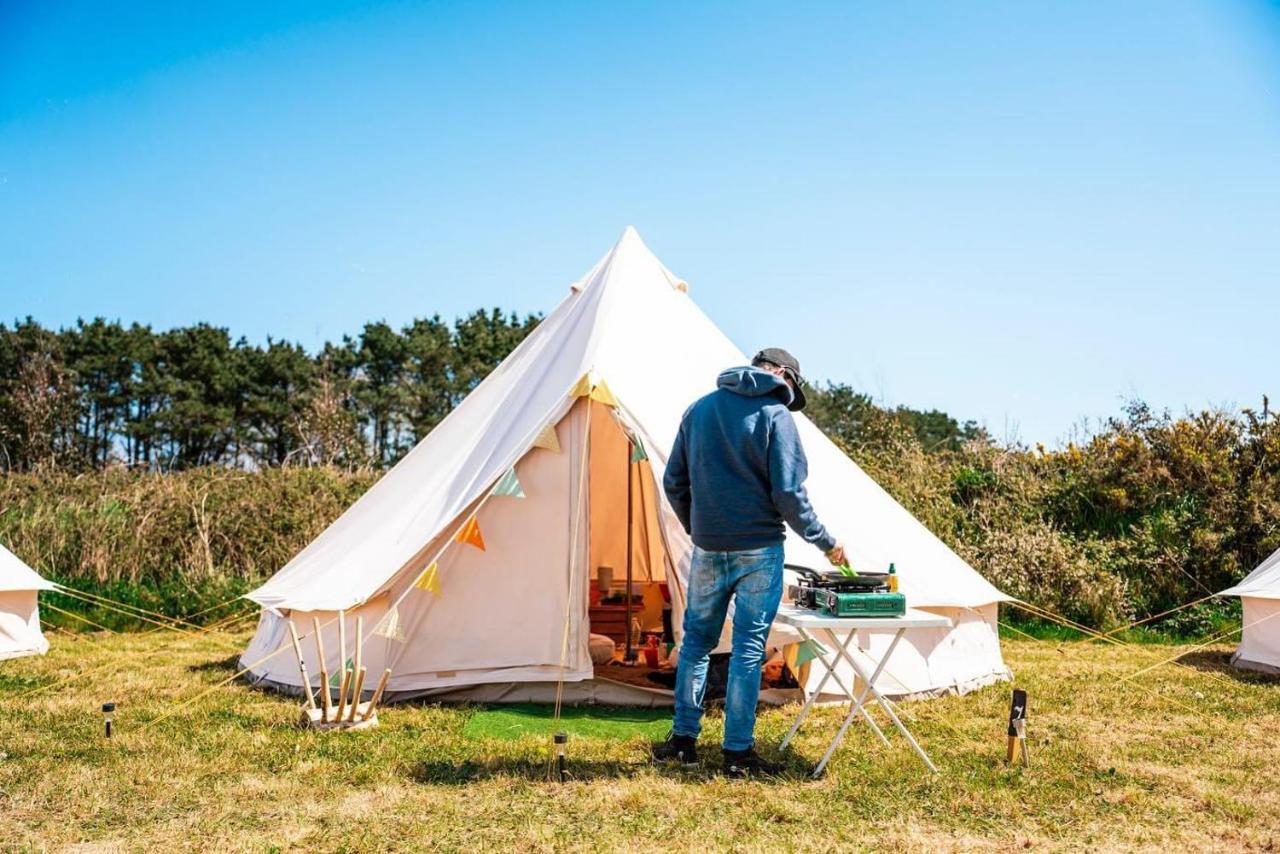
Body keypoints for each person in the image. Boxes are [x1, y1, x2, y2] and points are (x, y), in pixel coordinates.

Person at [654, 347, 847, 778]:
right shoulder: (777, 417)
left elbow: (674, 482)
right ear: (781, 374)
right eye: (791, 387)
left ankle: (683, 741)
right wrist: (826, 542)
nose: (788, 395)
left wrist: (699, 527)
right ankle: (737, 754)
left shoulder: (699, 410)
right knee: (747, 649)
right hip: (760, 549)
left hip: (708, 547)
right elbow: (789, 494)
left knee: (695, 643)